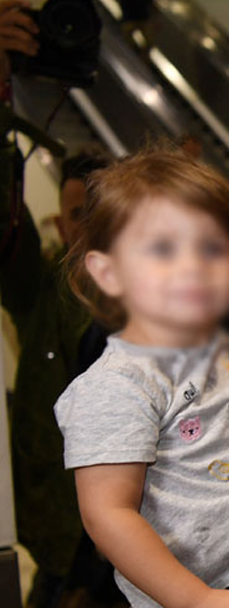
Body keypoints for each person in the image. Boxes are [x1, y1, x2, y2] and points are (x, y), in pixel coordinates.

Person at [55, 149, 229, 608]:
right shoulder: (118, 385)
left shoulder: (210, 347)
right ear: (109, 272)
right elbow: (107, 515)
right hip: (194, 588)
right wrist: (195, 598)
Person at [1, 148, 108, 607]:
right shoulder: (39, 294)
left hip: (131, 557)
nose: (87, 226)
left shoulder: (160, 305)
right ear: (61, 225)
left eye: (98, 213)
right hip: (58, 550)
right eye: (77, 214)